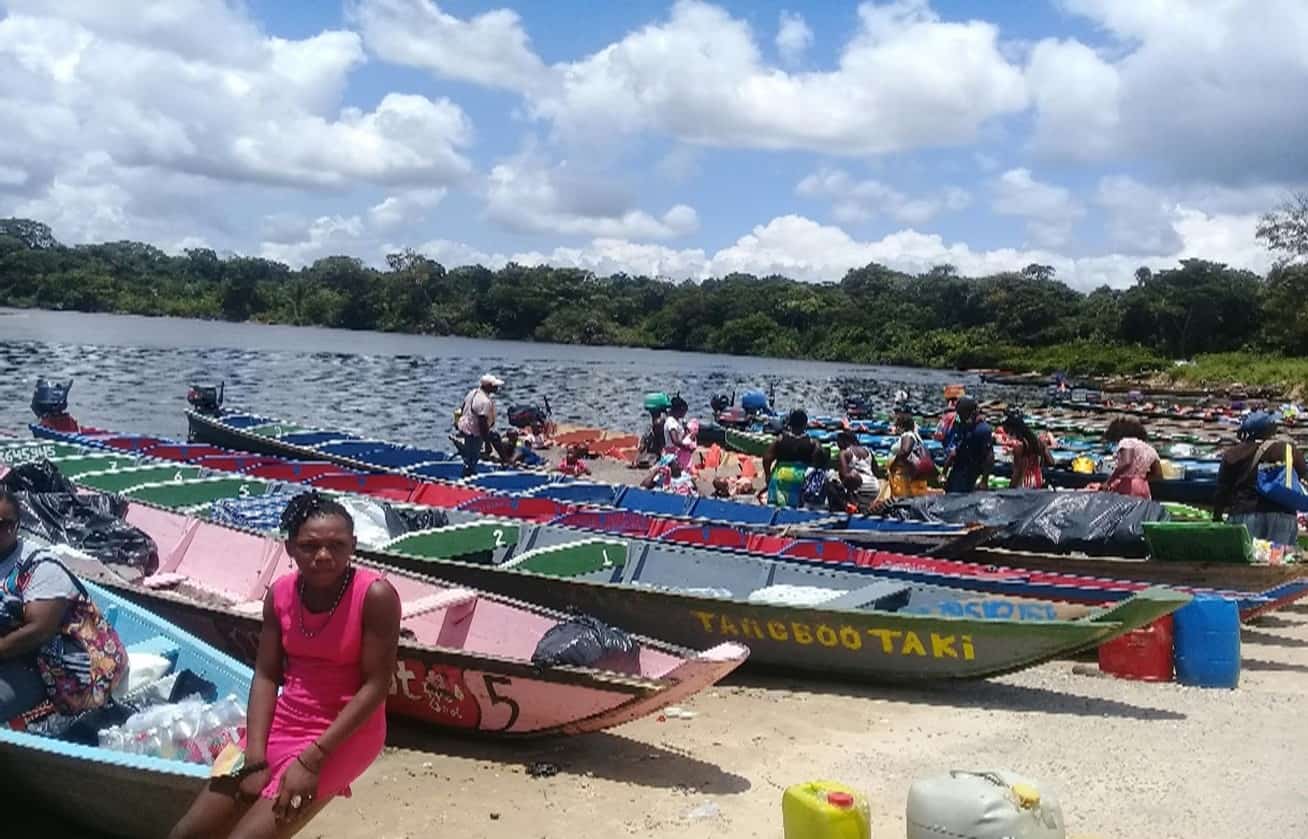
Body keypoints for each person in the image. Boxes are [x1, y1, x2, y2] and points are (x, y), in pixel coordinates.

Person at [170, 493, 401, 839]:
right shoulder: (280, 594)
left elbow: (376, 686)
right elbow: (266, 675)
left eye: (337, 545)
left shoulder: (376, 597)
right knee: (188, 832)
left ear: (353, 545)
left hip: (348, 731)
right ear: (290, 548)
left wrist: (311, 760)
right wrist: (254, 756)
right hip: (286, 719)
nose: (324, 556)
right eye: (310, 546)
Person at [1, 488, 125, 721]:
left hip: (48, 666)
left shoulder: (39, 567)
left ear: (16, 526)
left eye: (2, 524)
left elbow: (39, 631)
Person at [1213, 411, 1308, 545]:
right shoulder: (1288, 450)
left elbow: (1222, 490)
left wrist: (1217, 517)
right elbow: (1303, 478)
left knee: (1248, 557)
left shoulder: (1233, 454)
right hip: (1283, 516)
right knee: (1279, 557)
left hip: (1245, 513)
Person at [762, 410, 819, 507]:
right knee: (796, 509)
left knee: (776, 507)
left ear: (790, 424)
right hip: (800, 478)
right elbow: (818, 460)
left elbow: (767, 458)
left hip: (781, 477)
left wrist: (767, 475)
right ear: (805, 424)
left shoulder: (780, 439)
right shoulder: (812, 442)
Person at [1098, 416, 1162, 499]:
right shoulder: (1150, 449)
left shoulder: (1126, 441)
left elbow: (1127, 462)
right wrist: (1139, 477)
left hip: (1127, 486)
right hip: (1143, 487)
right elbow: (1158, 475)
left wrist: (1109, 481)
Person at [454, 374, 504, 478]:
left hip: (466, 427)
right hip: (474, 431)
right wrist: (487, 443)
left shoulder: (472, 393)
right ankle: (468, 476)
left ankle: (468, 472)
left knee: (470, 455)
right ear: (488, 386)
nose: (497, 388)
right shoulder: (484, 401)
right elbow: (482, 424)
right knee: (473, 457)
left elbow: (463, 408)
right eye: (494, 386)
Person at [884, 407, 935, 504]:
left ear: (901, 426)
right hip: (913, 476)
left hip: (905, 476)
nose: (895, 428)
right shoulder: (916, 436)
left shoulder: (907, 435)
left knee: (904, 501)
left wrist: (893, 464)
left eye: (896, 425)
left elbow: (905, 451)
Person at [944, 397, 993, 493]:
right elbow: (955, 451)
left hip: (971, 473)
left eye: (962, 414)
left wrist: (984, 480)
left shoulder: (983, 430)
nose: (960, 417)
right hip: (957, 471)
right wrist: (944, 472)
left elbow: (989, 457)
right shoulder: (963, 426)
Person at [1000, 408, 1053, 489]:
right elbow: (1051, 462)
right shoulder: (1039, 442)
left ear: (1013, 430)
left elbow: (1018, 472)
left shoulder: (1019, 446)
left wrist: (1010, 488)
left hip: (1025, 482)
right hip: (1038, 480)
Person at [835, 430, 884, 512]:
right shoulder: (868, 451)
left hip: (859, 486)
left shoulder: (844, 452)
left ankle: (850, 506)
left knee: (833, 482)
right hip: (874, 486)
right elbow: (876, 472)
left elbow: (844, 474)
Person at [663, 396, 697, 471]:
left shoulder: (677, 421)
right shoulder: (671, 422)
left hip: (678, 451)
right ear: (679, 410)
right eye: (684, 412)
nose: (684, 414)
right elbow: (675, 440)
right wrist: (686, 448)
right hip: (673, 453)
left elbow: (680, 437)